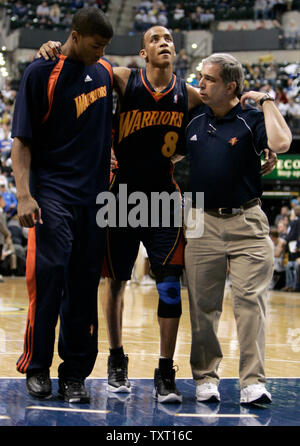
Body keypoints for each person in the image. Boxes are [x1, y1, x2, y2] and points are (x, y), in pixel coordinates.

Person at [38, 25, 204, 404]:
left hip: (163, 196)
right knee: (115, 280)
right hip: (122, 195)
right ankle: (116, 359)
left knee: (168, 283)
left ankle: (165, 370)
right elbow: (83, 59)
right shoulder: (124, 78)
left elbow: (228, 101)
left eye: (168, 39)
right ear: (143, 54)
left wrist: (258, 107)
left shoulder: (189, 94)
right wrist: (57, 50)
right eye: (155, 40)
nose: (164, 43)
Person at [11, 7, 114, 403]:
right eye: (95, 44)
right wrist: (24, 194)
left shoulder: (104, 72)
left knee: (85, 289)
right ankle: (37, 367)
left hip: (94, 200)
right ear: (75, 35)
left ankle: (75, 374)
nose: (101, 51)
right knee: (49, 280)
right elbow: (22, 142)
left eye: (105, 46)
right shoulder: (40, 73)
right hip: (52, 195)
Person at [184, 53, 292, 405]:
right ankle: (204, 378)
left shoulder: (249, 118)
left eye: (210, 80)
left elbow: (280, 144)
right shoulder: (192, 117)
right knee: (203, 306)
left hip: (247, 221)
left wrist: (265, 100)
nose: (202, 84)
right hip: (201, 221)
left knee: (250, 303)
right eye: (201, 78)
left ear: (231, 86)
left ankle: (252, 382)